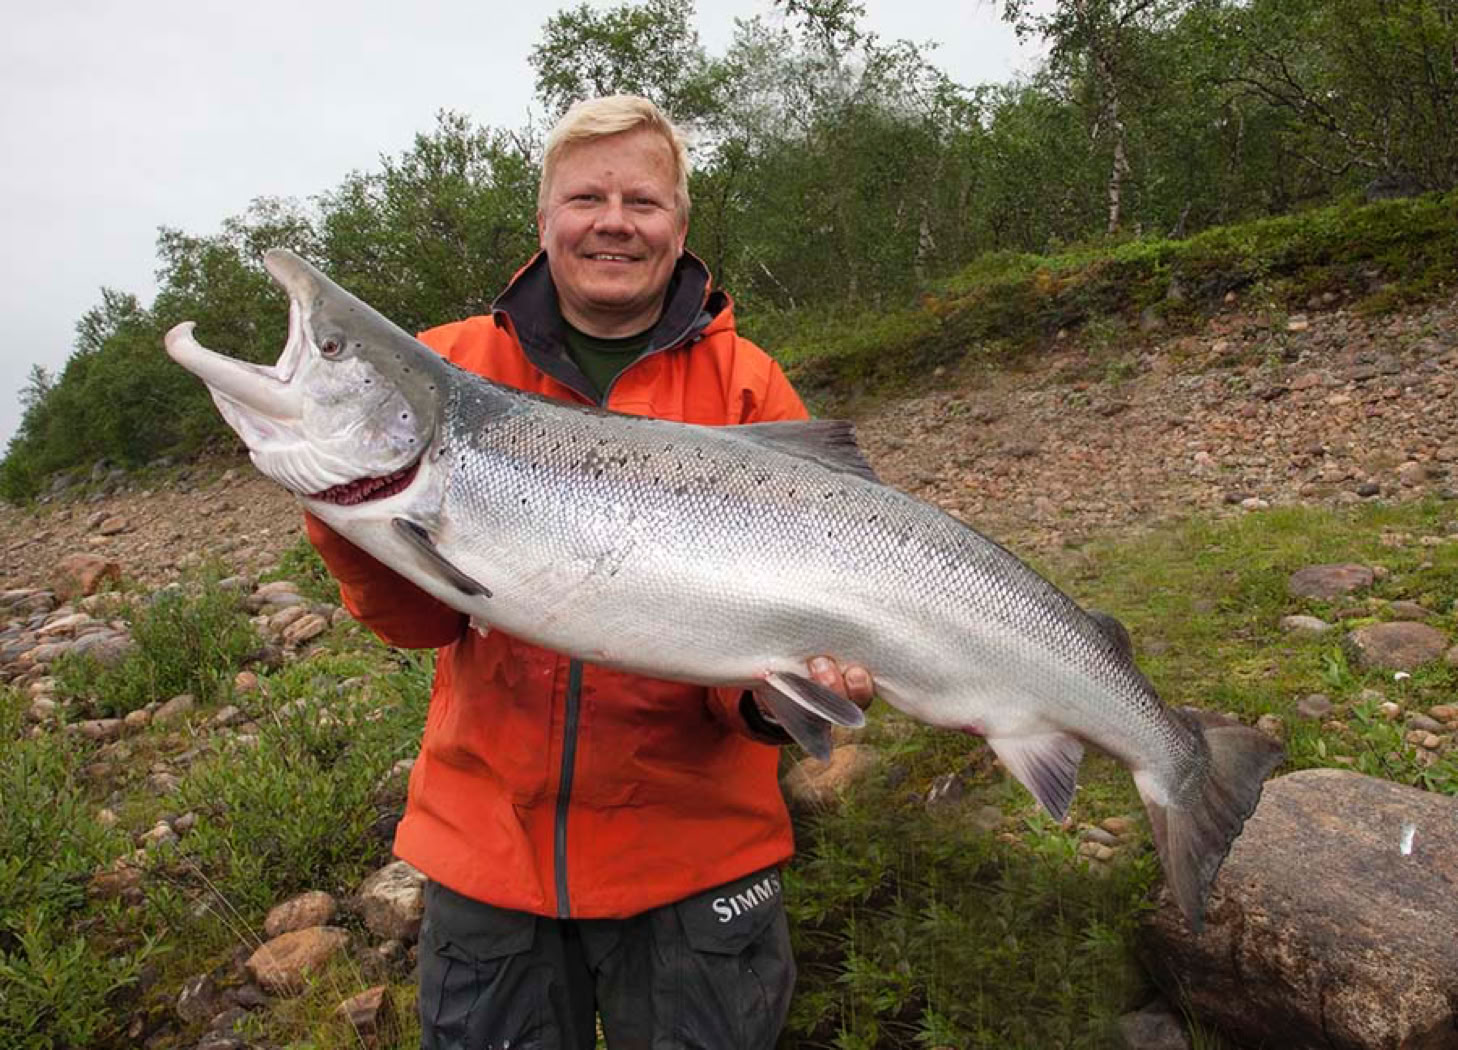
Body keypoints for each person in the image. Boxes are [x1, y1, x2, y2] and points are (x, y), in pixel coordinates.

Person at [305, 95, 874, 1050]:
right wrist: (345, 512)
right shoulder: (447, 368)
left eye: (643, 202)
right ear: (544, 221)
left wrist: (779, 702)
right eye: (587, 197)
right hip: (490, 854)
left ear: (680, 228)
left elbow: (747, 668)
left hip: (698, 866)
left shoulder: (749, 389)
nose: (614, 220)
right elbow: (421, 625)